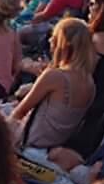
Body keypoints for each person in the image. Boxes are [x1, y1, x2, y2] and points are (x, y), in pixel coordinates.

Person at [8, 18, 96, 151]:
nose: (49, 41)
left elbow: (19, 112)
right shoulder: (90, 83)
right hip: (53, 145)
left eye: (54, 37)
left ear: (63, 44)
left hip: (30, 142)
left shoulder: (55, 76)